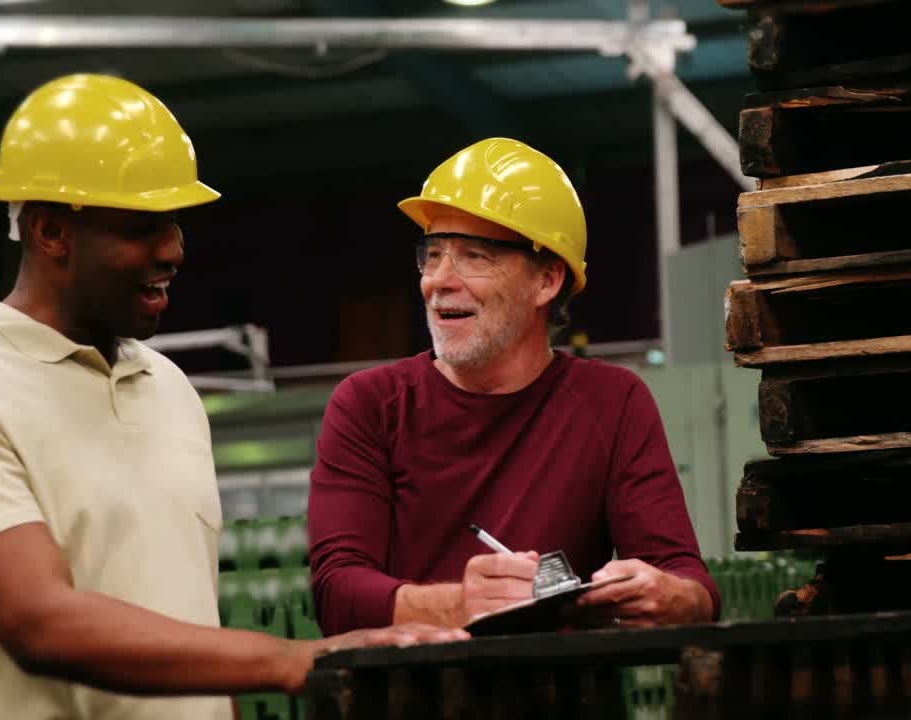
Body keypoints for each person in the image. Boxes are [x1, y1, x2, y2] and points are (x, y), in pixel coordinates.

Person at [0, 73, 464, 720]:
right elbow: (38, 621)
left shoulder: (169, 391)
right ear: (51, 232)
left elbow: (190, 619)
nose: (174, 250)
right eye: (143, 226)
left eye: (176, 223)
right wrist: (296, 660)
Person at [308, 137, 720, 636]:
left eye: (474, 256)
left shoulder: (612, 402)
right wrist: (463, 603)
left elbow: (687, 580)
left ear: (546, 281)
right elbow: (336, 595)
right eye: (432, 254)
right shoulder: (370, 406)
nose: (439, 280)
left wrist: (673, 597)